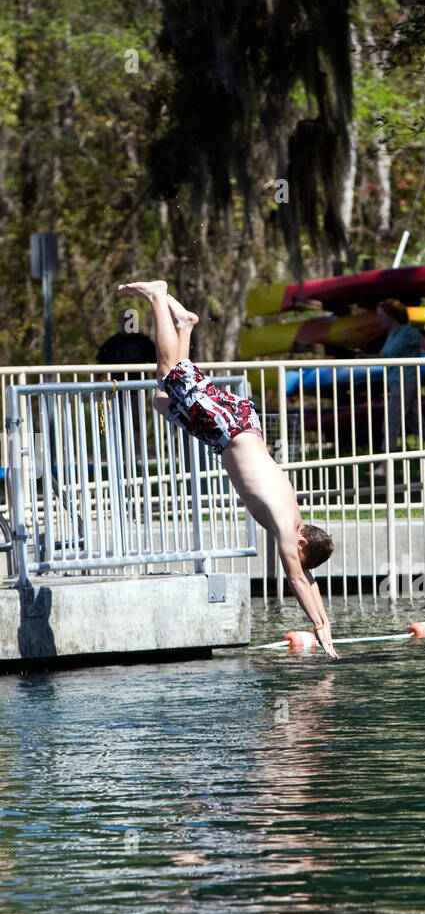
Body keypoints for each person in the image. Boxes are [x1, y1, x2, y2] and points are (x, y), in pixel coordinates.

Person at [117, 279, 339, 659]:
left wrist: (326, 626)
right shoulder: (289, 530)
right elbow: (297, 579)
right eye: (296, 555)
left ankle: (184, 325)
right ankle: (158, 295)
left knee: (161, 398)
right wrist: (317, 627)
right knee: (172, 371)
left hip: (236, 426)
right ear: (302, 544)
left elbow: (308, 578)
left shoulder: (294, 520)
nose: (290, 557)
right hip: (229, 429)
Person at [372, 298, 425, 478]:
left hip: (405, 382)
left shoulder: (408, 332)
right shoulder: (392, 334)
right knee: (416, 424)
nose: (379, 319)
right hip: (395, 383)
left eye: (381, 316)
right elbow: (385, 357)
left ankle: (386, 465)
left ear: (392, 316)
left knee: (391, 423)